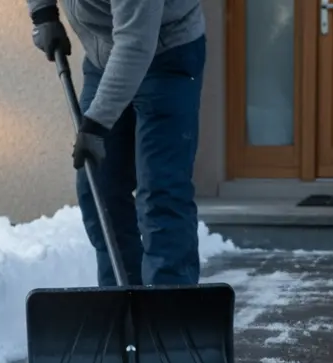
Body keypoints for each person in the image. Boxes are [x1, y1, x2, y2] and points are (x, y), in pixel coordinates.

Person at [27, 0, 207, 287]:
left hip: (166, 54)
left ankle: (169, 313)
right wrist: (43, 12)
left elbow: (136, 44)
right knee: (99, 186)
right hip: (105, 57)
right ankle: (122, 305)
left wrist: (97, 124)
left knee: (161, 192)